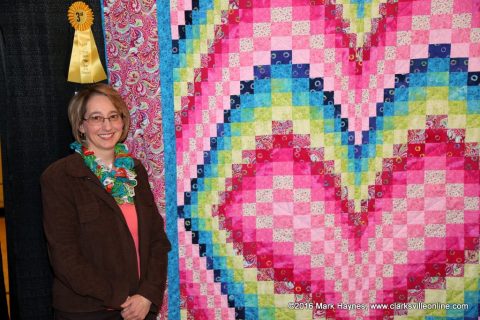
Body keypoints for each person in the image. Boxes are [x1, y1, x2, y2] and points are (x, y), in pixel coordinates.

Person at [41, 83, 171, 320]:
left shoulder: (135, 171)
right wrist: (121, 298)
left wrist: (147, 295)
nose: (107, 126)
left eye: (113, 116)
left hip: (139, 308)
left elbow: (157, 241)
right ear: (81, 125)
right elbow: (64, 256)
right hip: (87, 311)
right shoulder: (60, 177)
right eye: (96, 118)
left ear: (123, 121)